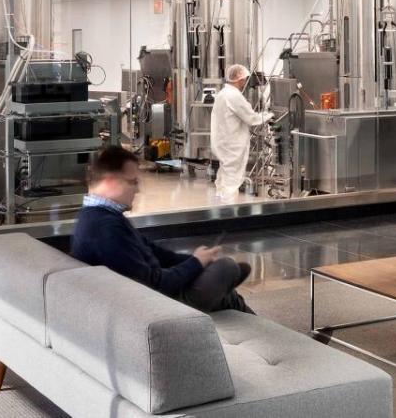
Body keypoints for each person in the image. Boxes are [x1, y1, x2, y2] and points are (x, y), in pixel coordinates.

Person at [70, 146, 254, 314]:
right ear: (110, 182)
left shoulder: (100, 216)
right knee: (226, 267)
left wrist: (199, 261)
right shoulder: (105, 228)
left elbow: (155, 252)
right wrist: (196, 263)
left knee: (219, 271)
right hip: (159, 304)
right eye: (132, 182)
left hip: (154, 294)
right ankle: (229, 295)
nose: (137, 190)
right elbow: (154, 285)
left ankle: (227, 294)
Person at [209, 64, 272, 202]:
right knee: (232, 179)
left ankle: (220, 206)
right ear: (239, 79)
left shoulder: (222, 94)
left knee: (224, 176)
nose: (245, 82)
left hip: (223, 142)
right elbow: (251, 118)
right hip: (233, 144)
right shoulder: (234, 96)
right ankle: (228, 211)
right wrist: (269, 115)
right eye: (244, 79)